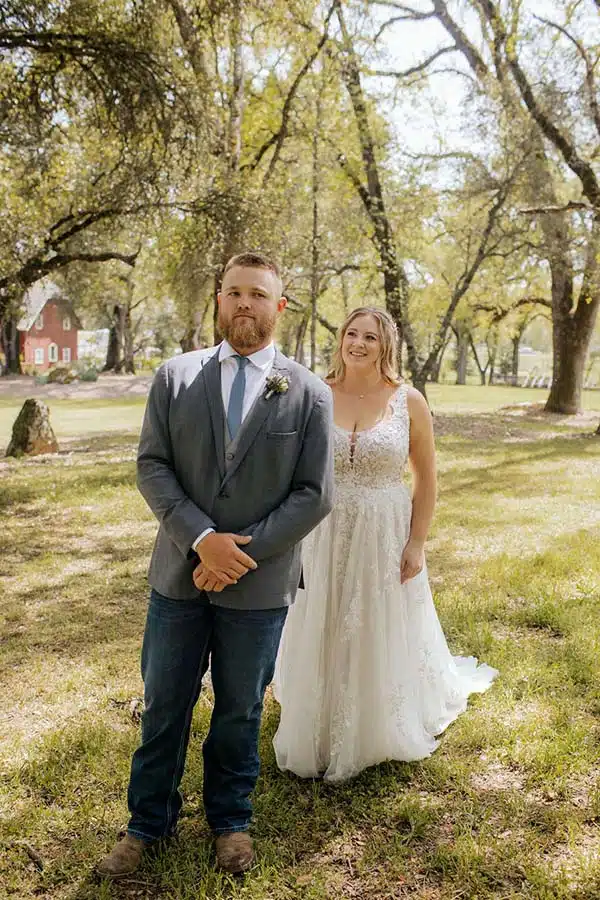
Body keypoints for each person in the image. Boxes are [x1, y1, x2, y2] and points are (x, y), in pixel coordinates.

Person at [98, 251, 334, 878]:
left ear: (279, 306)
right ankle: (147, 824)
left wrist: (237, 554)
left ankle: (231, 821)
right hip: (179, 576)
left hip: (258, 587)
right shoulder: (175, 377)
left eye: (257, 293)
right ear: (219, 299)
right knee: (163, 705)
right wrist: (202, 539)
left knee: (240, 710)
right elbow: (152, 465)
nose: (244, 303)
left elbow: (314, 495)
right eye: (233, 292)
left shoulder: (310, 393)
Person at [273, 306, 497, 783]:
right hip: (325, 529)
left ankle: (377, 716)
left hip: (385, 531)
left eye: (370, 337)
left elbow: (426, 478)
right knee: (325, 613)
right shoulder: (317, 394)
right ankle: (319, 709)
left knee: (375, 618)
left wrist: (417, 543)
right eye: (351, 334)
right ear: (341, 339)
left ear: (386, 345)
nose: (358, 343)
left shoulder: (408, 400)